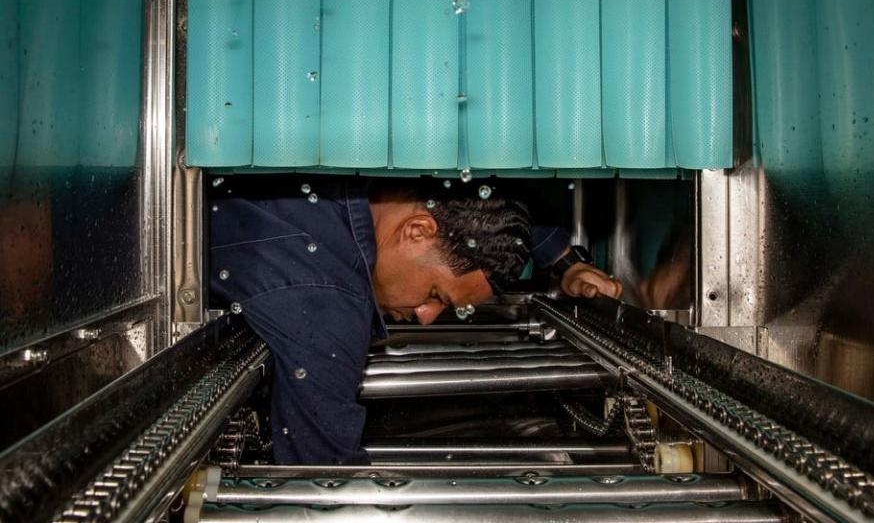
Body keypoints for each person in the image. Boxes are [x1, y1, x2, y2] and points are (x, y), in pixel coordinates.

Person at [208, 175, 622, 464]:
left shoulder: (371, 166)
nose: (426, 317)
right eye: (435, 295)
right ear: (417, 231)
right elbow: (320, 483)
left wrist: (564, 262)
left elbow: (486, 201)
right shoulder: (325, 306)